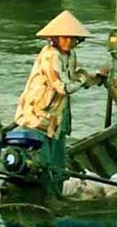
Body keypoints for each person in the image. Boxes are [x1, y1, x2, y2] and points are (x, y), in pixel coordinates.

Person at [14, 11, 106, 182]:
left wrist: (95, 77)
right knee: (41, 162)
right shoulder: (50, 55)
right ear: (56, 38)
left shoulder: (70, 55)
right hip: (38, 116)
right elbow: (64, 87)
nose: (69, 42)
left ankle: (55, 189)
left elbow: (74, 77)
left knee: (57, 164)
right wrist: (84, 78)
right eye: (65, 38)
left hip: (58, 116)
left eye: (73, 38)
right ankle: (44, 193)